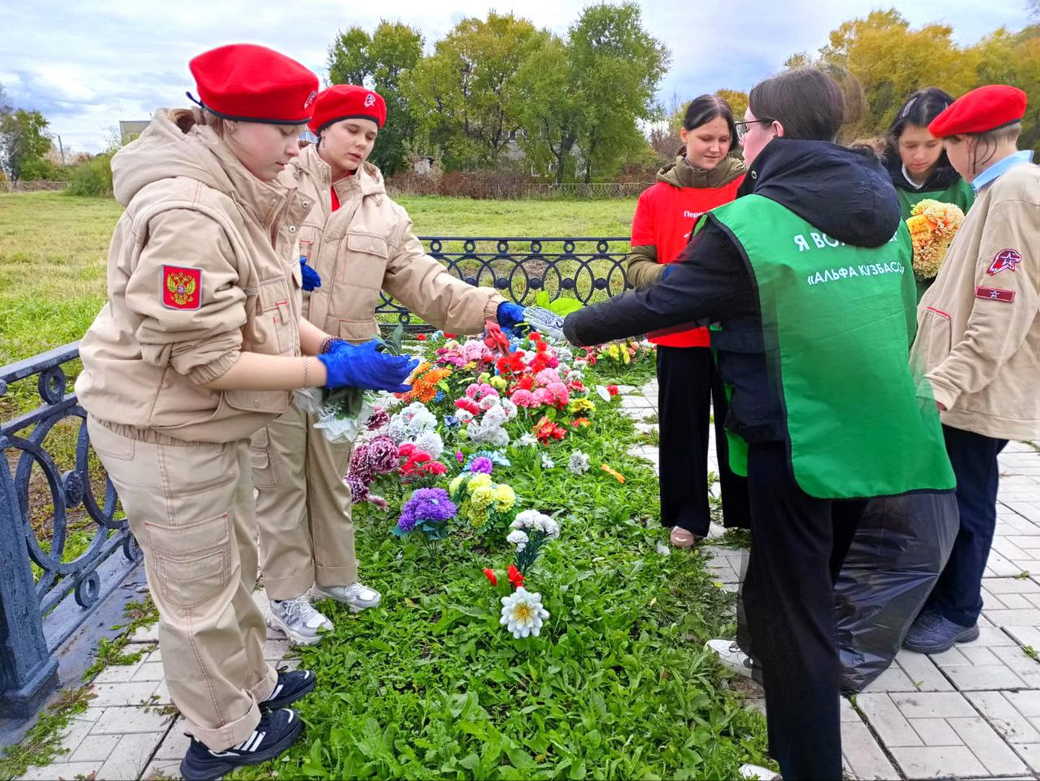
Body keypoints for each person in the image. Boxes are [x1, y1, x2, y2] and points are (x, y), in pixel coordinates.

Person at [561, 68, 954, 780]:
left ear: (771, 130)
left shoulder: (753, 222)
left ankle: (809, 761)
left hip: (797, 436)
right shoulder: (887, 204)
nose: (741, 136)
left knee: (800, 611)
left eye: (747, 124)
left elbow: (664, 302)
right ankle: (765, 664)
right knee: (804, 579)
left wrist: (573, 325)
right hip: (874, 423)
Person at [73, 45, 417, 781]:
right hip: (163, 425)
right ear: (228, 123)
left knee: (234, 566)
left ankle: (252, 684)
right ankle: (221, 733)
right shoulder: (188, 212)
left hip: (204, 423)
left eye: (302, 126)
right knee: (197, 589)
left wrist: (326, 340)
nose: (301, 142)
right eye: (286, 128)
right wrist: (328, 367)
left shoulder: (244, 187)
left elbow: (268, 308)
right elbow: (203, 360)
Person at [252, 84, 527, 645]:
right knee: (280, 482)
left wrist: (489, 306)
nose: (361, 142)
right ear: (320, 128)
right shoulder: (273, 184)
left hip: (350, 363)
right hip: (275, 356)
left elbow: (423, 282)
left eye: (371, 135)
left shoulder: (385, 213)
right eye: (351, 129)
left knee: (331, 476)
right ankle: (286, 596)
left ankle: (336, 579)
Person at [903, 85, 1040, 654]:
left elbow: (1002, 306)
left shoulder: (1014, 194)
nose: (943, 158)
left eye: (947, 145)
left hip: (975, 387)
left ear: (970, 144)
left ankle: (960, 609)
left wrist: (947, 383)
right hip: (962, 380)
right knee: (953, 491)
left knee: (968, 496)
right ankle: (943, 596)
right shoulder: (998, 190)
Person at [626, 94, 749, 548]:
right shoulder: (656, 197)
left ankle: (746, 510)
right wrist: (676, 280)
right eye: (705, 138)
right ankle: (688, 514)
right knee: (682, 427)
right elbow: (638, 261)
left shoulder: (747, 189)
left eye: (724, 138)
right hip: (679, 332)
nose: (715, 147)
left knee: (742, 423)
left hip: (736, 331)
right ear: (683, 136)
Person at [884, 88, 976, 297]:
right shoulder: (881, 183)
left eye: (931, 145)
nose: (919, 155)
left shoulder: (964, 187)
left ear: (946, 142)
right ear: (896, 141)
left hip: (948, 294)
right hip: (895, 292)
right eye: (910, 145)